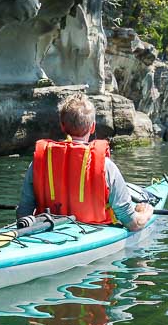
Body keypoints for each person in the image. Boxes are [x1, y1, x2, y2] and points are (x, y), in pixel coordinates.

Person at [17, 93, 154, 231]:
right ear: (93, 127)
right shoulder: (106, 167)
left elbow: (23, 213)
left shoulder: (39, 163)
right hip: (93, 231)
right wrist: (146, 213)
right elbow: (133, 224)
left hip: (47, 232)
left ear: (62, 126)